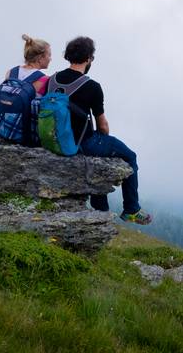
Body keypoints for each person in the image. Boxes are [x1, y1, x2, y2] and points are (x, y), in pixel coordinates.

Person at [48, 36, 152, 225]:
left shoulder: (52, 81)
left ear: (68, 56)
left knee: (101, 157)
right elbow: (102, 124)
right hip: (84, 142)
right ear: (88, 58)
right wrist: (104, 141)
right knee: (130, 155)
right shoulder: (92, 86)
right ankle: (132, 209)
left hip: (55, 139)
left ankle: (100, 209)